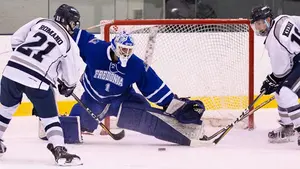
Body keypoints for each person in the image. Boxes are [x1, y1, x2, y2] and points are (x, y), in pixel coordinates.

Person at [59, 28, 206, 146]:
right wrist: (64, 25)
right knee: (70, 129)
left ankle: (188, 133)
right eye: (123, 49)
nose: (126, 53)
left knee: (148, 117)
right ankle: (50, 123)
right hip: (91, 101)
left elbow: (154, 87)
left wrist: (173, 104)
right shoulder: (95, 48)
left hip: (122, 101)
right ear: (114, 46)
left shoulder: (135, 65)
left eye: (129, 50)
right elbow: (72, 36)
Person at [0, 4, 83, 166]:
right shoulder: (69, 43)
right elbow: (70, 74)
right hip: (36, 79)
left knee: (6, 108)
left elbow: (16, 39)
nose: (74, 26)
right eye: (73, 23)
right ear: (66, 21)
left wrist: (26, 61)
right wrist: (67, 85)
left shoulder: (39, 22)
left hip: (11, 70)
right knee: (50, 116)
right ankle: (59, 149)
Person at [250, 5, 300, 145]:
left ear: (268, 20)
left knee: (285, 92)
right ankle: (288, 127)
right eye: (256, 24)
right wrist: (274, 81)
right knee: (279, 92)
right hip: (297, 61)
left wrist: (271, 80)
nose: (258, 27)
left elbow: (281, 72)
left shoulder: (273, 40)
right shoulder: (283, 18)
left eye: (260, 23)